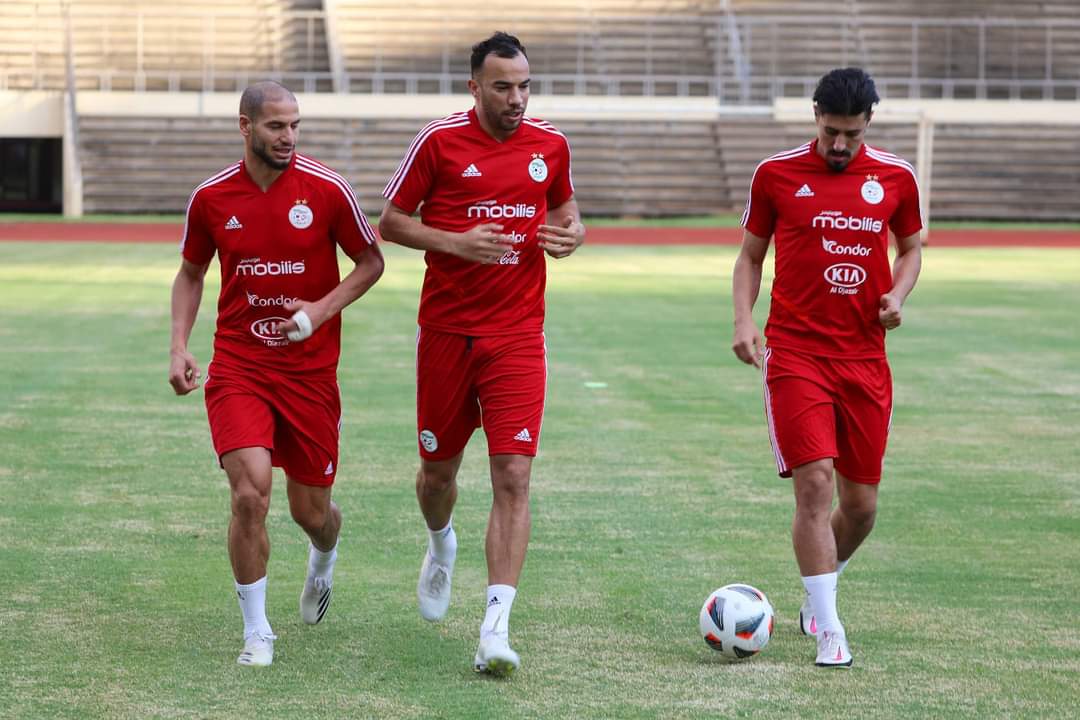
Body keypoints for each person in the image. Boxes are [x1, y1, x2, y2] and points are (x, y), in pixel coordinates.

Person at [378, 32, 585, 677]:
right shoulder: (439, 142)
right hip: (446, 334)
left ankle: (495, 627)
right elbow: (390, 221)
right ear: (474, 87)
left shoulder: (550, 145)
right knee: (437, 475)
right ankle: (441, 542)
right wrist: (455, 242)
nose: (516, 98)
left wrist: (573, 233)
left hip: (518, 335)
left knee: (514, 476)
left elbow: (566, 208)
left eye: (524, 86)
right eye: (502, 87)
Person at [168, 80, 384, 667]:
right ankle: (257, 631)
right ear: (246, 127)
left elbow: (371, 262)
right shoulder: (211, 198)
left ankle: (323, 556)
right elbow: (191, 273)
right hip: (240, 366)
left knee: (311, 513)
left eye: (294, 125)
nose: (289, 136)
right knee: (249, 495)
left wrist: (319, 311)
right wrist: (179, 346)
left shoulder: (327, 189)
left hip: (310, 375)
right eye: (276, 126)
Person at [731, 67, 922, 668]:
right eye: (831, 131)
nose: (840, 145)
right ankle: (829, 629)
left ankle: (823, 583)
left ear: (869, 122)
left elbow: (910, 249)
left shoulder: (896, 177)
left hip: (865, 358)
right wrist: (744, 320)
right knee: (814, 483)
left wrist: (898, 295)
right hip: (795, 354)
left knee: (861, 507)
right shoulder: (776, 174)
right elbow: (750, 256)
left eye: (852, 134)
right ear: (815, 115)